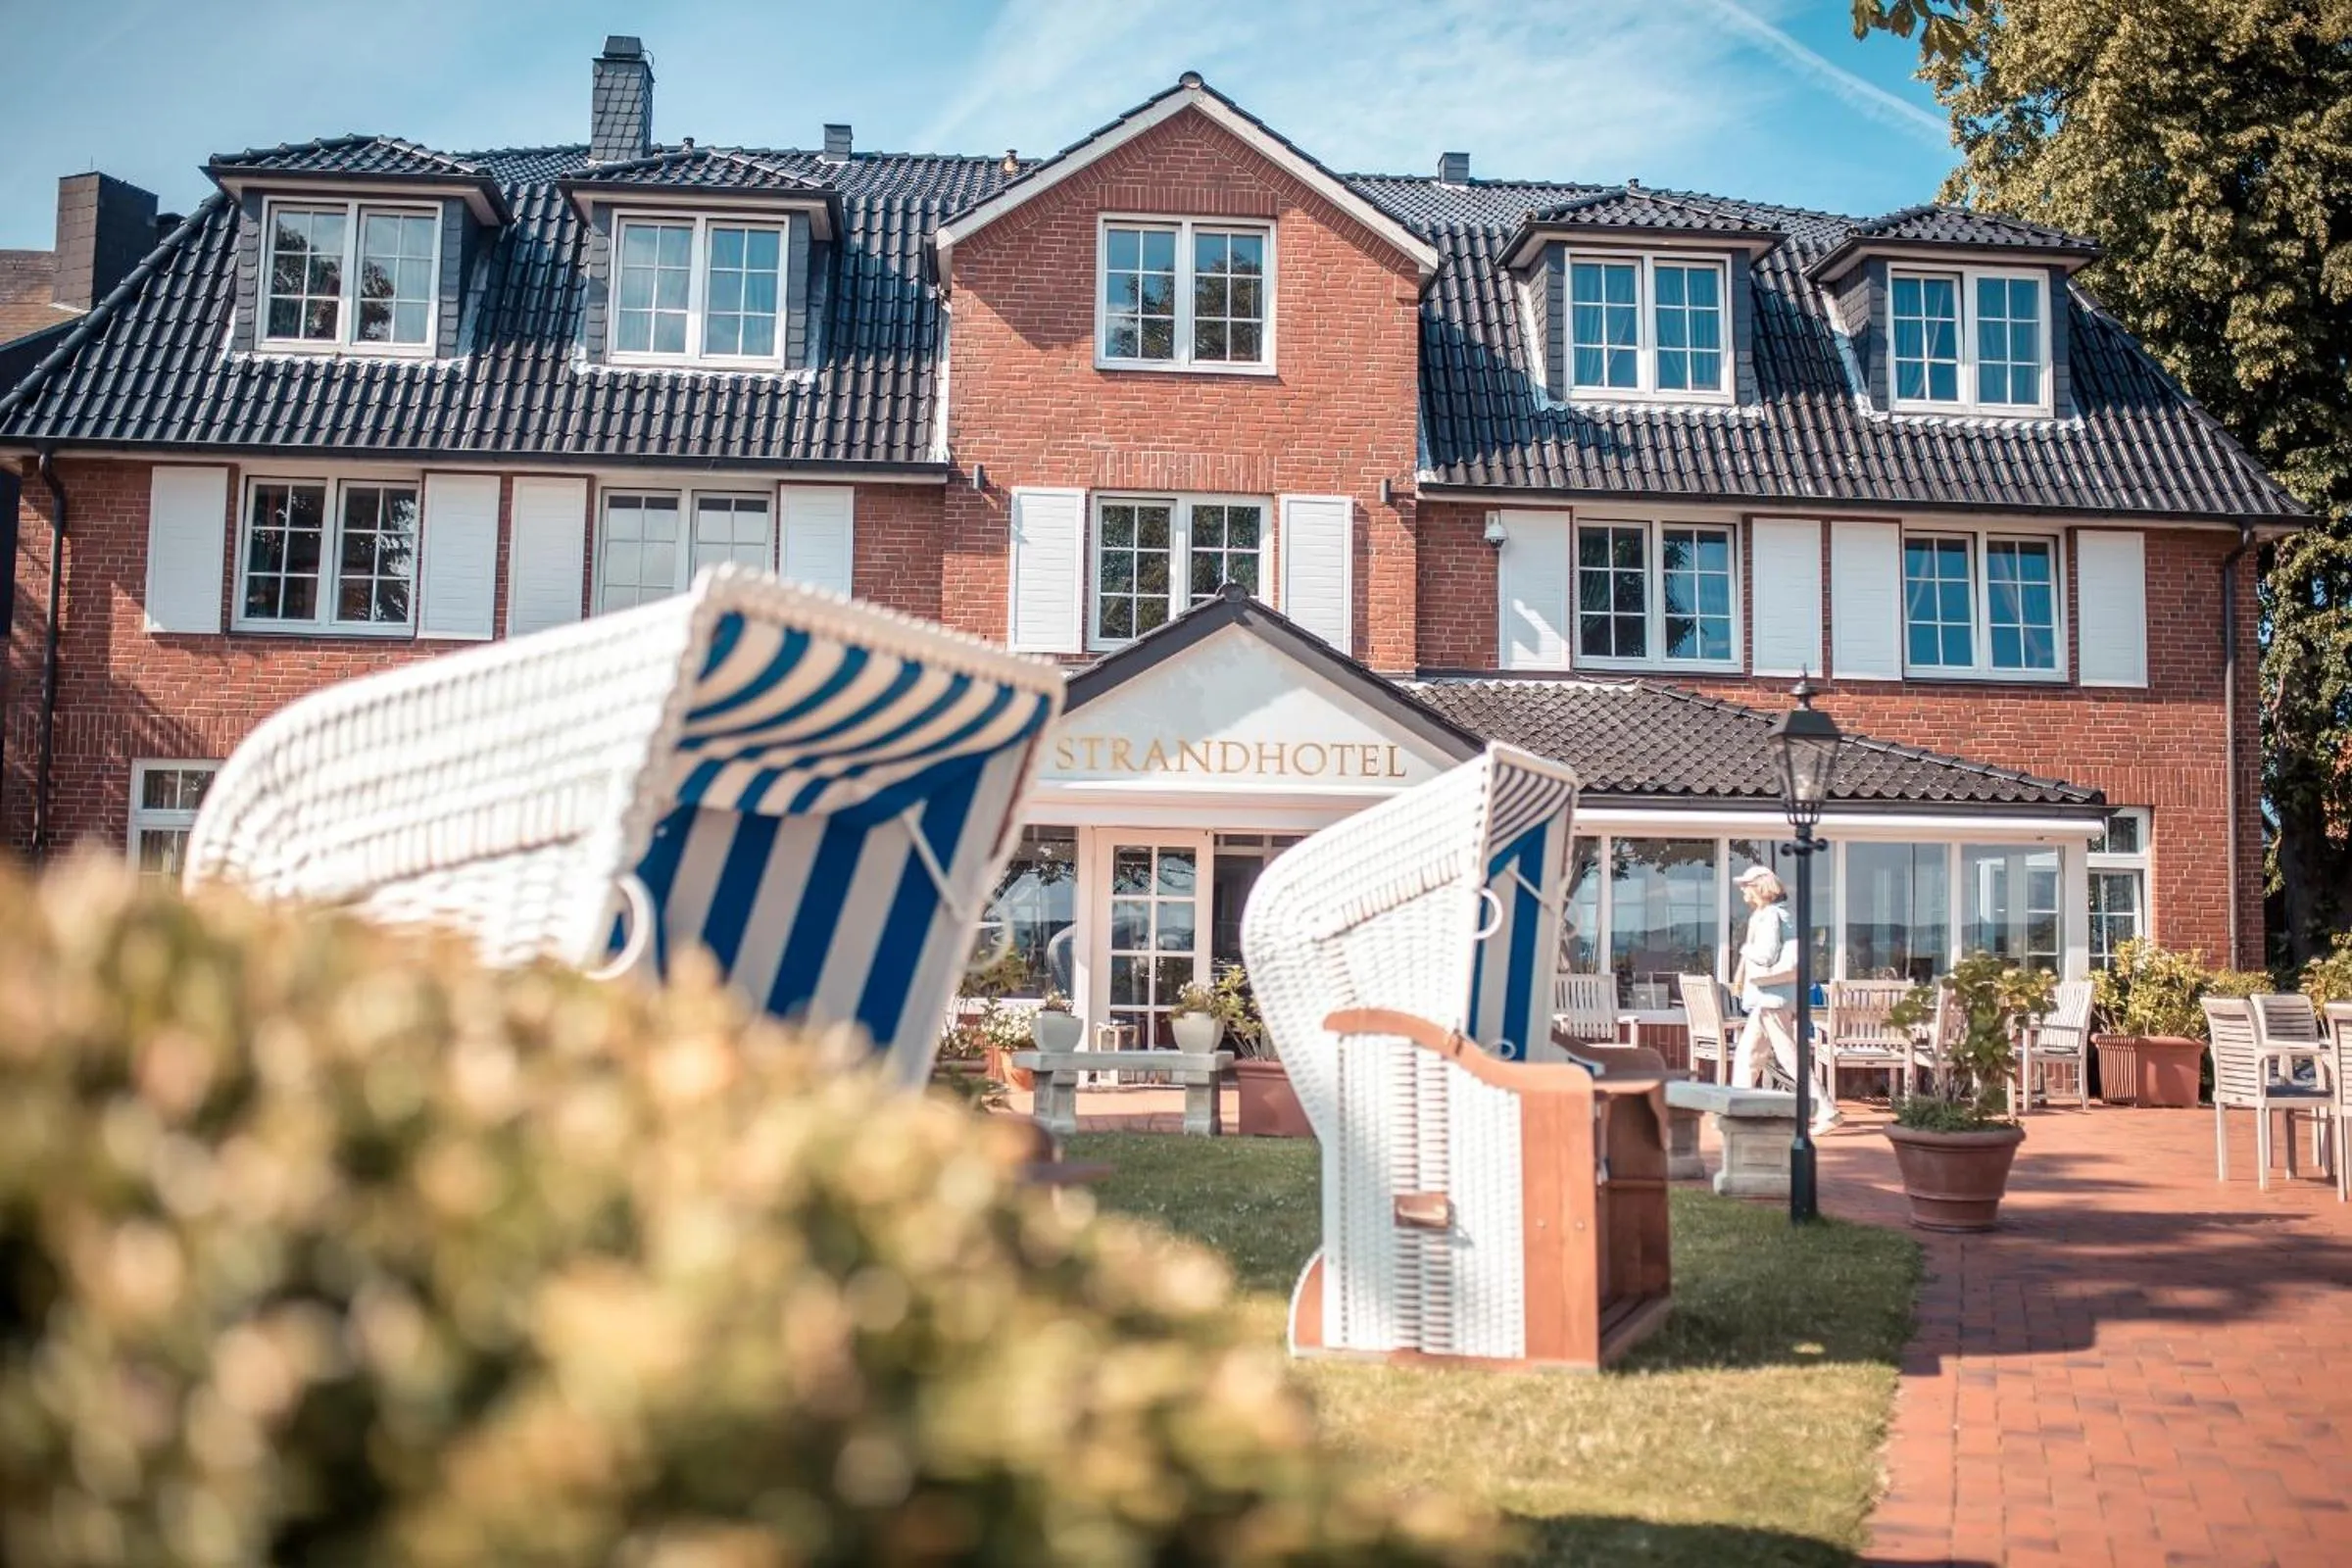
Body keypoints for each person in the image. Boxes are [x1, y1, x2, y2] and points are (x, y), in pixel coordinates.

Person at [1729, 864, 1839, 1132]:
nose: (1742, 890)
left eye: (1746, 885)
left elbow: (1766, 956)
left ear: (1759, 887)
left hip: (1772, 998)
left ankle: (1826, 1110)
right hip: (1773, 997)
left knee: (1789, 1057)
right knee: (1749, 1055)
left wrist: (1744, 948)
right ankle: (1735, 1110)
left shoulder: (1768, 917)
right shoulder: (1781, 914)